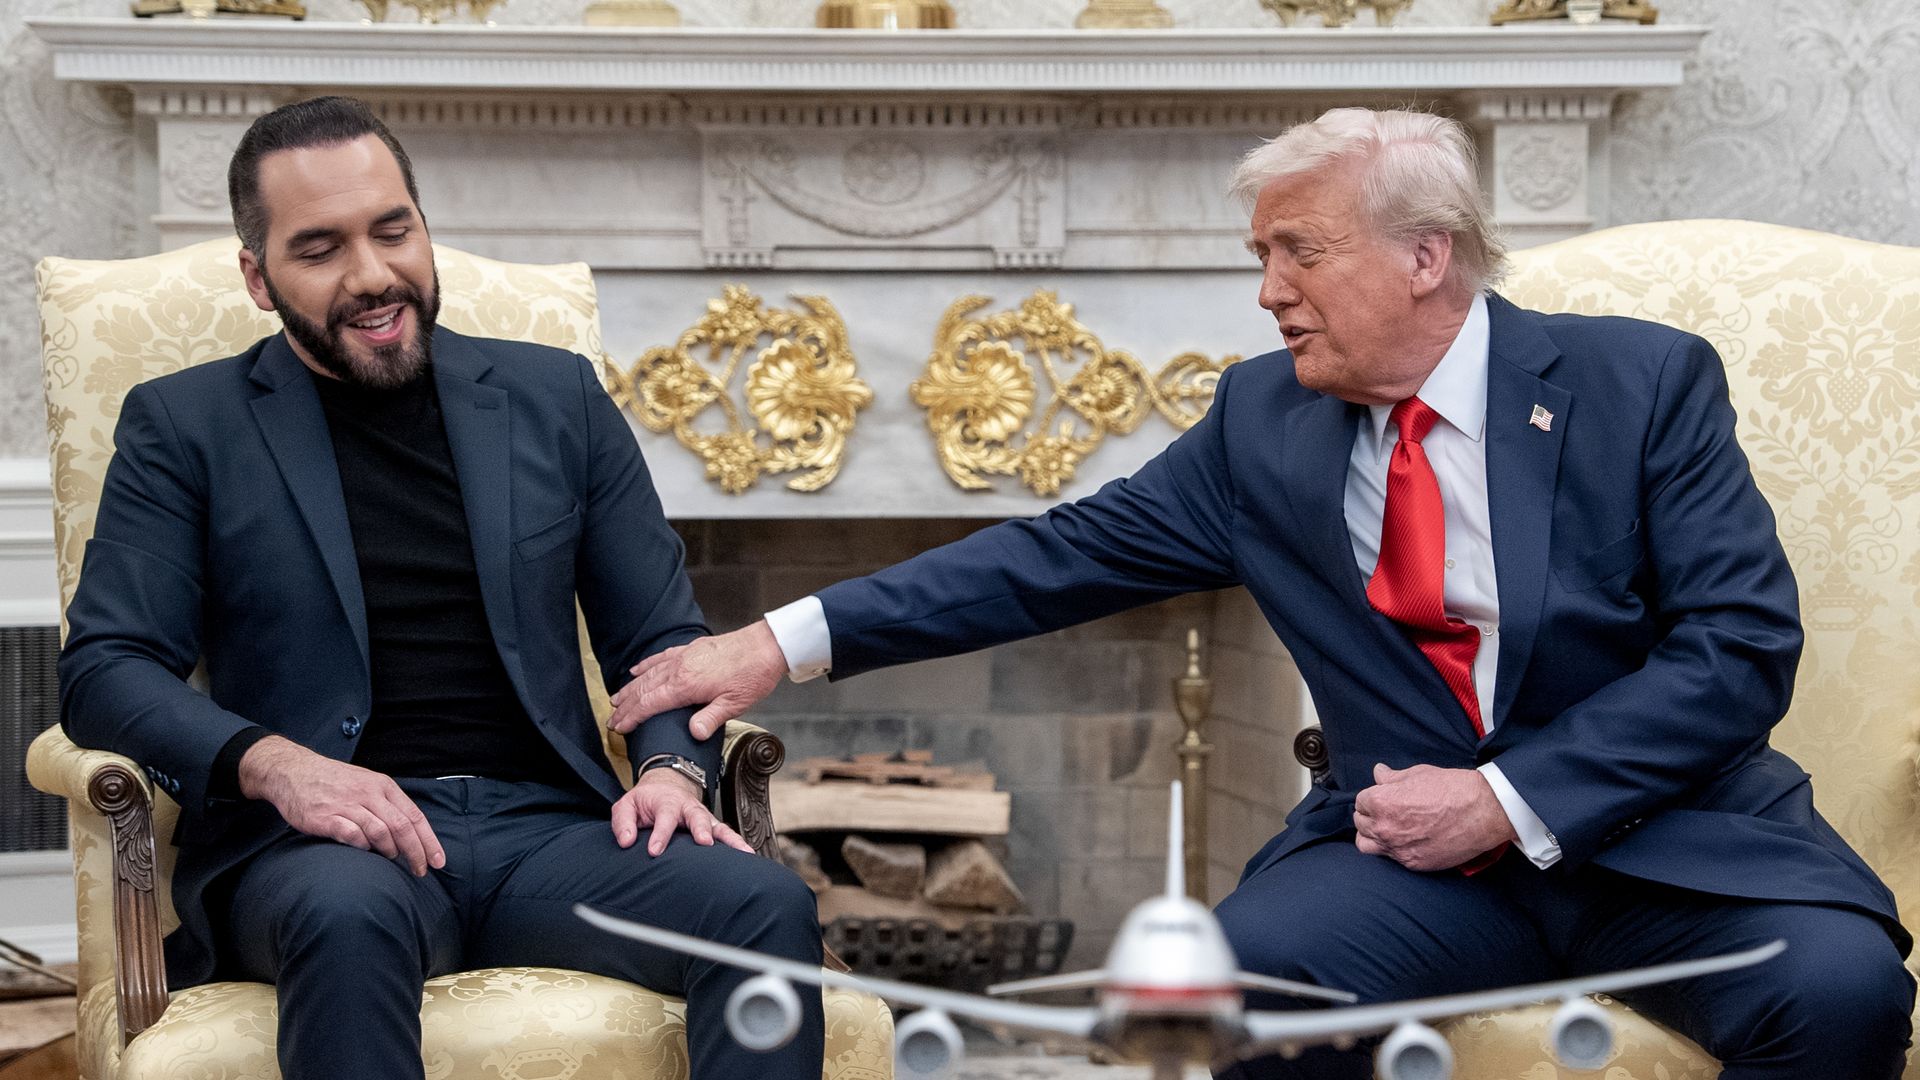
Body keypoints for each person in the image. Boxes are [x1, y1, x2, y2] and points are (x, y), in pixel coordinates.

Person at [613, 107, 1915, 1078]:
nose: (1266, 290)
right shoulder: (1263, 424)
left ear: (1425, 255)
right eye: (1260, 254)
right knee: (1221, 992)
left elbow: (1740, 649)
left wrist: (1504, 801)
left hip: (1667, 844)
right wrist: (773, 647)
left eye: (1297, 251)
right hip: (1410, 870)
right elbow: (1049, 558)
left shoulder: (1642, 387)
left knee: (1844, 993)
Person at [57, 96, 823, 1080]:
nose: (373, 275)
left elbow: (662, 636)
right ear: (259, 276)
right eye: (321, 247)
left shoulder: (558, 400)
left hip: (550, 834)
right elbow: (106, 668)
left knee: (763, 903)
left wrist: (672, 769)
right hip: (317, 849)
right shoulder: (185, 426)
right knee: (348, 914)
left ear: (423, 225)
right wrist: (277, 765)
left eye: (393, 230)